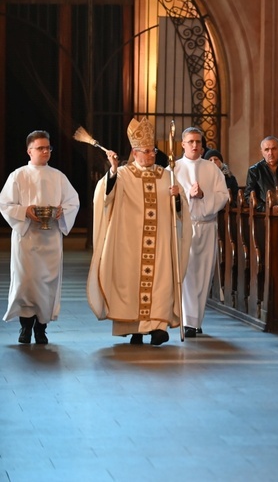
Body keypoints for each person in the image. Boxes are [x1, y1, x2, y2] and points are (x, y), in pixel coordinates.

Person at [87, 117, 192, 346]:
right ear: (135, 153)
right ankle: (134, 328)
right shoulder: (123, 174)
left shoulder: (167, 175)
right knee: (131, 283)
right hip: (130, 243)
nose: (152, 155)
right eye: (146, 151)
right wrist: (113, 171)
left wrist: (177, 198)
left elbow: (182, 211)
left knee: (160, 283)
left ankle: (157, 328)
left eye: (153, 150)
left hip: (160, 244)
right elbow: (105, 197)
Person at [0, 130, 80, 344]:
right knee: (26, 283)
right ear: (29, 150)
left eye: (48, 148)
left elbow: (74, 201)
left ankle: (41, 328)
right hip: (27, 239)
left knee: (47, 284)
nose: (45, 151)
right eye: (40, 148)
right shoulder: (18, 175)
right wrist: (24, 211)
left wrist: (63, 210)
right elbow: (5, 204)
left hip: (51, 239)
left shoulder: (58, 176)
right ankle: (25, 328)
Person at [174, 127, 229, 337]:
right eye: (190, 142)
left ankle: (196, 320)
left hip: (206, 225)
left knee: (203, 273)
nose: (195, 145)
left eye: (198, 141)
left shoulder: (212, 168)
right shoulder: (174, 168)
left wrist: (204, 195)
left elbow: (223, 196)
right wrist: (188, 195)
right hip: (184, 227)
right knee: (187, 273)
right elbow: (168, 198)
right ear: (183, 144)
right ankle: (188, 320)